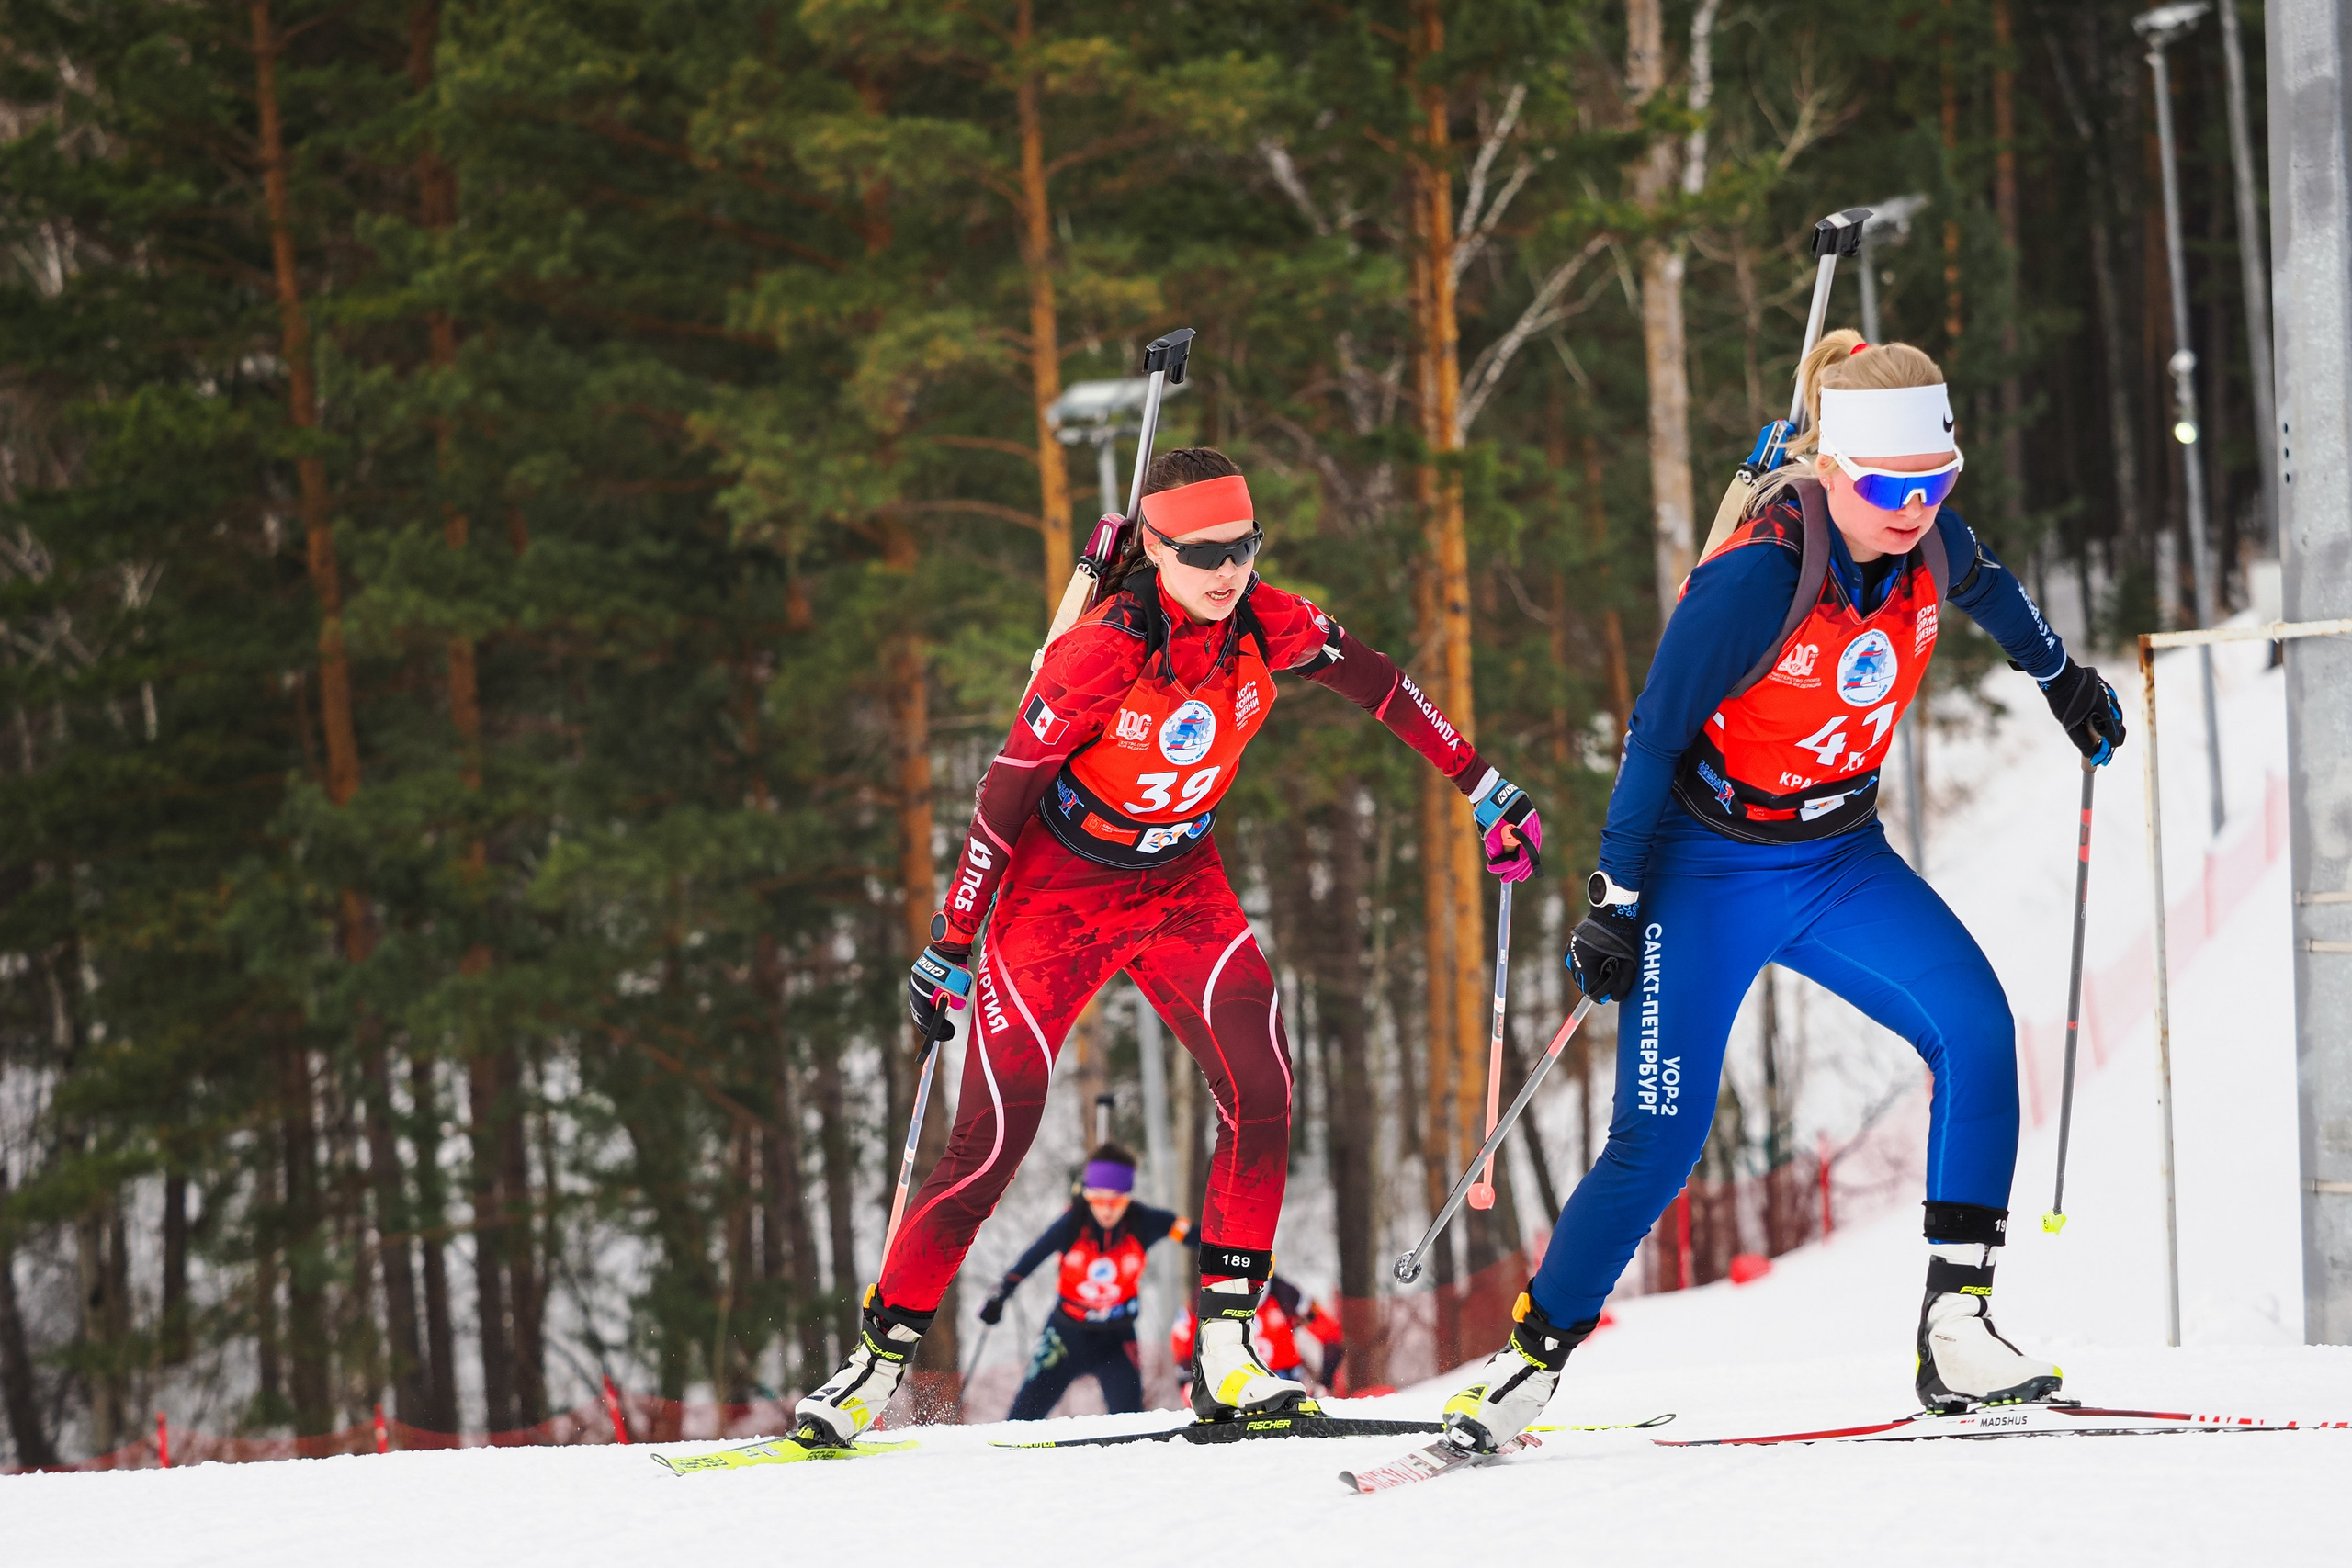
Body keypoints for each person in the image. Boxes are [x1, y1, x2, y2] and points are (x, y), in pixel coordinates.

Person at [1441, 332, 2128, 1454]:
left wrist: (2061, 679)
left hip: (1839, 858)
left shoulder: (1932, 543)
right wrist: (1615, 897)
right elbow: (1654, 735)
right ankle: (1528, 1360)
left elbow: (1995, 590)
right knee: (1660, 1139)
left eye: (1936, 480)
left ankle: (1955, 1329)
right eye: (1889, 487)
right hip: (1705, 870)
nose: (1914, 507)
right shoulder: (1756, 576)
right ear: (1833, 469)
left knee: (1974, 1029)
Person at [796, 447, 1543, 1447]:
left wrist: (1481, 783)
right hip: (1058, 894)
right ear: (1154, 549)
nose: (1226, 570)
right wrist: (951, 942)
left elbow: (1384, 685)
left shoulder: (1268, 621)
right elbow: (1002, 795)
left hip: (1181, 882)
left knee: (1263, 1085)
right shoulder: (1098, 652)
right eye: (1200, 553)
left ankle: (1227, 1352)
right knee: (992, 1139)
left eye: (1242, 547)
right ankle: (874, 1364)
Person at [978, 1144, 1193, 1419]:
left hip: (1117, 1339)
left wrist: (1229, 1255)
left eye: (1116, 1202)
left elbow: (1194, 1234)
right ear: (1087, 1196)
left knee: (1130, 1423)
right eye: (1098, 1200)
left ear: (1128, 1198)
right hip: (1065, 1336)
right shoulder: (1071, 1223)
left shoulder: (1145, 1222)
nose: (1106, 1210)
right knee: (1022, 1418)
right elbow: (1029, 1260)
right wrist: (1001, 1294)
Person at [1170, 1273, 1346, 1397]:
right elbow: (1182, 1339)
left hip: (1284, 1381)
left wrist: (1325, 1380)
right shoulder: (1205, 1300)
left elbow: (1330, 1333)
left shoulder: (1287, 1296)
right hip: (1231, 1384)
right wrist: (1189, 1382)